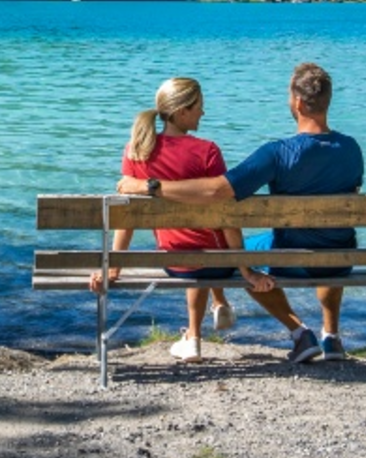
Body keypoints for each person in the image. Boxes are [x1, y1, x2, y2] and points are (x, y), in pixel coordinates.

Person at [117, 62, 362, 364]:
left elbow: (218, 192)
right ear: (328, 101)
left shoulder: (277, 153)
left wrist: (151, 187)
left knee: (241, 259)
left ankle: (300, 333)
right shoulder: (352, 148)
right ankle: (332, 337)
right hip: (341, 258)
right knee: (330, 236)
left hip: (290, 257)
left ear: (297, 102)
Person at [89, 77, 272, 362]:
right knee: (214, 243)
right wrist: (245, 269)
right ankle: (214, 309)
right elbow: (227, 219)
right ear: (182, 111)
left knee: (190, 245)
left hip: (173, 262)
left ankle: (195, 335)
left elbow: (128, 217)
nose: (203, 113)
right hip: (217, 265)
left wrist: (114, 266)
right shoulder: (207, 151)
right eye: (199, 107)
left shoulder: (136, 150)